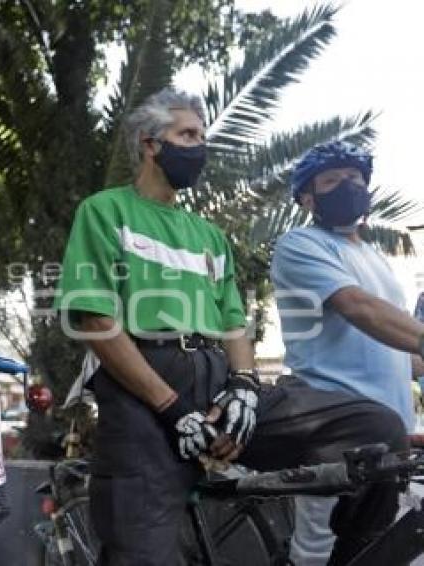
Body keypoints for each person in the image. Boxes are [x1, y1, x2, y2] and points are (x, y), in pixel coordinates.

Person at [53, 87, 411, 566]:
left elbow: (233, 324)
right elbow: (96, 321)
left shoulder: (210, 237)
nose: (199, 145)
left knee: (378, 429)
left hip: (219, 381)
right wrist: (172, 408)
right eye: (187, 134)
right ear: (149, 144)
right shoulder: (104, 211)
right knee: (139, 554)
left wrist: (243, 386)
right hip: (144, 386)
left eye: (203, 135)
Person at [271, 141, 424, 565]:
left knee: (390, 551)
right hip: (334, 430)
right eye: (332, 180)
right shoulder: (301, 245)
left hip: (392, 434)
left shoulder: (372, 255)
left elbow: (395, 347)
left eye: (355, 179)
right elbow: (359, 309)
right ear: (308, 197)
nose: (348, 186)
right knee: (321, 553)